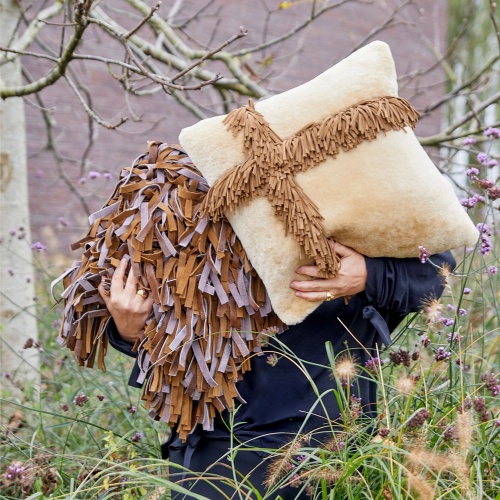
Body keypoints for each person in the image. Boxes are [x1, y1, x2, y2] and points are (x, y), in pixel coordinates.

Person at [99, 242, 455, 499]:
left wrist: (370, 273)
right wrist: (132, 331)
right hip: (216, 450)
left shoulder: (364, 173)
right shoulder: (203, 176)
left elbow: (435, 271)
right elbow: (170, 330)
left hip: (334, 447)